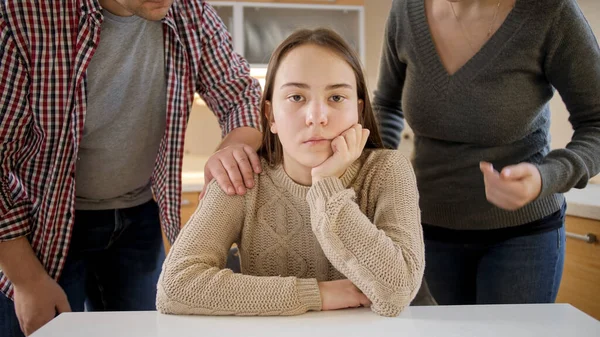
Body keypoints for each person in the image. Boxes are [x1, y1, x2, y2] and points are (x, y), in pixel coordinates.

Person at [0, 1, 263, 336]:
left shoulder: (189, 11)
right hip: (38, 231)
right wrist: (27, 280)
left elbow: (239, 94)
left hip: (138, 219)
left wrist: (233, 148)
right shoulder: (24, 15)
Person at [156, 28, 425, 317]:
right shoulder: (244, 175)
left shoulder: (387, 170)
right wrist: (316, 294)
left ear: (358, 112)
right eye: (297, 97)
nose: (317, 117)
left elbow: (397, 292)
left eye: (336, 97)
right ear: (270, 116)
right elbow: (175, 287)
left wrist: (326, 186)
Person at [373, 0, 600, 305]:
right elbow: (387, 106)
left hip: (523, 237)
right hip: (424, 234)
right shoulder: (405, 10)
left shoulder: (551, 12)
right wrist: (374, 173)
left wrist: (545, 177)